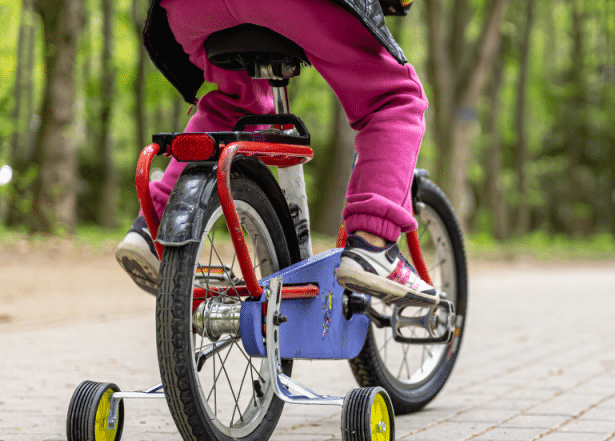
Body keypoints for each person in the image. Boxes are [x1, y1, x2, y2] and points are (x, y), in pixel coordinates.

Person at [116, 0, 438, 307]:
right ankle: (373, 243)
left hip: (190, 10)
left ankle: (155, 226)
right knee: (394, 98)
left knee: (239, 100)